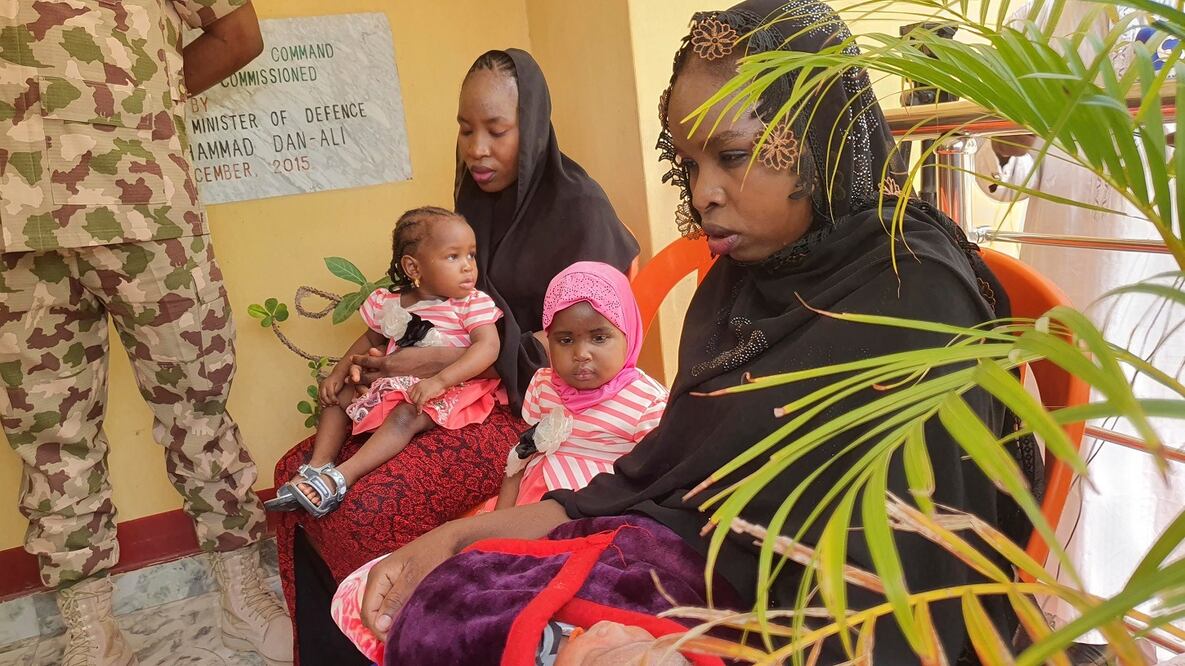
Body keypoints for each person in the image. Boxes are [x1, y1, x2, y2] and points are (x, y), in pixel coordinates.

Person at [356, 2, 1038, 664]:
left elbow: (912, 586)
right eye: (687, 163)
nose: (704, 192)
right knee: (442, 603)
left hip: (823, 628)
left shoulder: (914, 297)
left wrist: (666, 647)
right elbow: (659, 480)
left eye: (732, 155)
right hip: (702, 566)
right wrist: (457, 539)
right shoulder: (740, 280)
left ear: (819, 139)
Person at [271, 48, 639, 662]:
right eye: (466, 129)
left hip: (529, 415)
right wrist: (395, 351)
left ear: (534, 128)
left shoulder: (580, 213)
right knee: (296, 466)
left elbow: (592, 358)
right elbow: (441, 302)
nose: (477, 149)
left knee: (363, 510)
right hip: (452, 389)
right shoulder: (472, 202)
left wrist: (445, 359)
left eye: (497, 131)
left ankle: (400, 640)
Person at [0, 2, 292, 665]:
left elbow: (235, 34)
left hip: (145, 207)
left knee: (198, 405)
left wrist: (138, 111)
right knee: (47, 433)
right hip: (13, 228)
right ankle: (92, 632)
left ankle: (241, 600)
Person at [974, 2, 1184, 659]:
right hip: (1067, 254)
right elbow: (995, 165)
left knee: (1146, 426)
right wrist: (1007, 137)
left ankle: (1140, 611)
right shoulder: (1047, 11)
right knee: (1070, 421)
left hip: (1155, 258)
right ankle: (1072, 606)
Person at [326, 260, 667, 663]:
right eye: (565, 340)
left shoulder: (647, 402)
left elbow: (648, 483)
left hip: (594, 510)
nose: (581, 354)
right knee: (484, 568)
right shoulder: (544, 385)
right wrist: (502, 513)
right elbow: (525, 452)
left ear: (629, 333)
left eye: (599, 337)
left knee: (544, 585)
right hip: (529, 500)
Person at [267, 207, 503, 516]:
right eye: (452, 257)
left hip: (450, 387)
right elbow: (370, 340)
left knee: (406, 415)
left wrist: (439, 381)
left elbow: (488, 347)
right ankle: (317, 464)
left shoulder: (471, 304)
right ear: (413, 267)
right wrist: (338, 372)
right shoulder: (389, 302)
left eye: (471, 255)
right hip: (396, 382)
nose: (468, 267)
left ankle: (341, 478)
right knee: (341, 392)